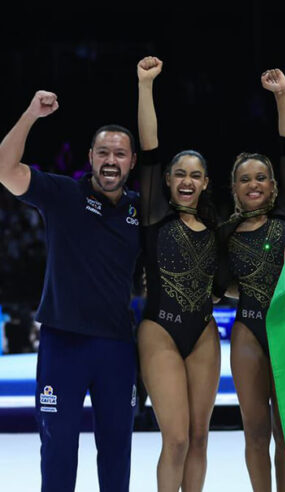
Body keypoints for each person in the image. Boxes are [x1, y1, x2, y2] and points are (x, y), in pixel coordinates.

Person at [0, 92, 140, 491]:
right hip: (64, 344)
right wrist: (30, 114)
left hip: (116, 347)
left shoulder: (139, 210)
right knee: (58, 447)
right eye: (103, 152)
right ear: (91, 157)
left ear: (131, 161)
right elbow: (4, 167)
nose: (111, 160)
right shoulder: (63, 194)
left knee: (116, 448)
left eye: (120, 153)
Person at [215, 68, 285, 492]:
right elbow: (220, 285)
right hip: (249, 328)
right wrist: (249, 292)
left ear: (273, 185)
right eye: (245, 178)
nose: (254, 183)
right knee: (255, 432)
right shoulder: (226, 232)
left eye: (261, 177)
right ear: (234, 187)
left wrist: (282, 95)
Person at [136, 56, 220, 492]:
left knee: (202, 438)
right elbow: (148, 149)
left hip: (203, 331)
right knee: (177, 438)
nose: (187, 181)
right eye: (179, 174)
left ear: (206, 183)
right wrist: (145, 85)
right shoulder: (153, 214)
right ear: (167, 181)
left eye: (196, 175)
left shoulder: (217, 229)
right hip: (160, 330)